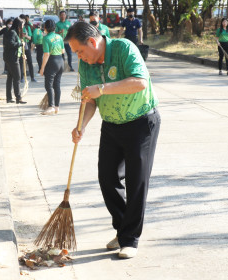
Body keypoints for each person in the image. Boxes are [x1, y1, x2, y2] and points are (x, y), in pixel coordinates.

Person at [66, 22, 160, 259]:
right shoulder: (85, 65)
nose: (79, 57)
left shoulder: (124, 48)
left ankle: (130, 240)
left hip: (141, 122)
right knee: (107, 178)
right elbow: (89, 100)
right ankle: (122, 228)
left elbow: (140, 81)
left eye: (79, 51)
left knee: (136, 181)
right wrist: (81, 126)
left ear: (92, 42)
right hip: (111, 125)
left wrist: (103, 88)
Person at [40, 19, 65, 115]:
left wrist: (42, 68)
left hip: (52, 62)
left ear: (45, 27)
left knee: (48, 85)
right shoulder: (59, 37)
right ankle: (57, 107)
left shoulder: (46, 38)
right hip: (60, 61)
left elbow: (46, 54)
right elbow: (63, 51)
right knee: (57, 85)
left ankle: (51, 106)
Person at [2, 17, 27, 104]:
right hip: (11, 58)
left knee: (10, 77)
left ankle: (9, 98)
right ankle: (18, 98)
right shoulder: (12, 32)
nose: (22, 27)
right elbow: (10, 44)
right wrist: (20, 44)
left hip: (11, 57)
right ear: (18, 25)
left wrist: (22, 55)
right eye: (22, 25)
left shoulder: (13, 32)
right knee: (17, 77)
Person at [19, 14, 37, 82]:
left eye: (23, 20)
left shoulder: (27, 27)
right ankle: (21, 77)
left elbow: (30, 38)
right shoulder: (17, 27)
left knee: (29, 61)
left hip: (26, 46)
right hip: (19, 46)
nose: (22, 21)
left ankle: (32, 77)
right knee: (21, 61)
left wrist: (26, 36)